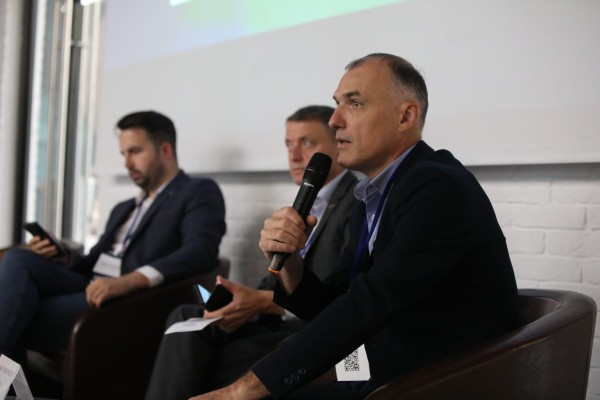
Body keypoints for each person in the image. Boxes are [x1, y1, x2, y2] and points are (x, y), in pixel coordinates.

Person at [192, 53, 519, 400]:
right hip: (383, 360)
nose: (334, 120)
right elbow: (334, 305)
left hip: (443, 375)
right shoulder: (371, 196)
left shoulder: (437, 186)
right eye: (337, 104)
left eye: (355, 103)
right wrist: (291, 263)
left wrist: (242, 392)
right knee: (266, 370)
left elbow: (371, 302)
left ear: (405, 116)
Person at [144, 105, 358, 400]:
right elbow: (276, 276)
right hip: (274, 319)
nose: (294, 155)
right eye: (288, 145)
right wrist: (242, 298)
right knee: (187, 317)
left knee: (207, 357)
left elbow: (340, 293)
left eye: (306, 143)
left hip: (309, 328)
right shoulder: (305, 204)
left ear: (336, 145)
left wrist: (259, 301)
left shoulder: (356, 203)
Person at [0, 110, 227, 364]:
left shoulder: (198, 191)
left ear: (165, 150)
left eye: (135, 151)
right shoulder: (123, 208)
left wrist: (131, 280)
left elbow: (201, 251)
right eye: (123, 154)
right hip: (90, 284)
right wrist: (62, 256)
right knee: (18, 258)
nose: (127, 163)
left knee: (15, 309)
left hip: (128, 300)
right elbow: (92, 261)